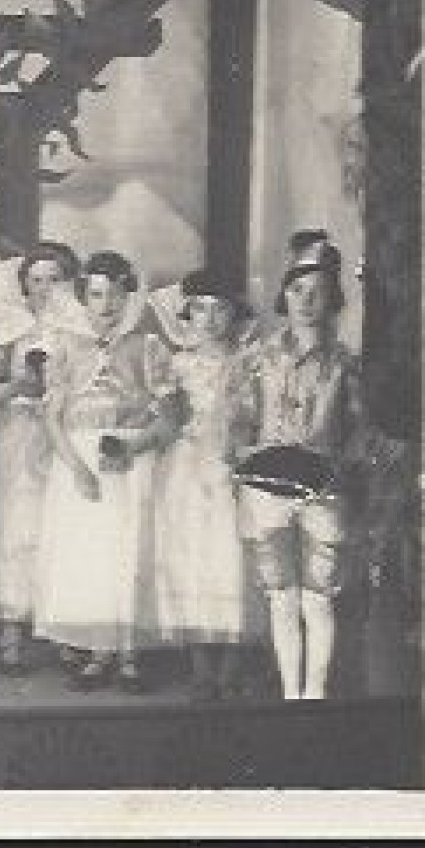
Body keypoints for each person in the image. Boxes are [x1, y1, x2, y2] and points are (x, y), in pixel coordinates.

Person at [33, 250, 177, 693]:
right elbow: (52, 419)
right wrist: (76, 468)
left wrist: (134, 445)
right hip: (79, 458)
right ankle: (97, 652)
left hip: (129, 457)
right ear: (83, 298)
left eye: (115, 293)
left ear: (128, 295)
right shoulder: (66, 347)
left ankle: (130, 652)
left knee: (127, 551)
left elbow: (170, 418)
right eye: (96, 294)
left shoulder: (147, 346)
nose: (106, 303)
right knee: (89, 556)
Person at [234, 233, 366, 700]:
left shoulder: (346, 365)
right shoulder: (258, 359)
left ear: (333, 297)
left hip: (323, 488)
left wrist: (341, 468)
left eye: (318, 291)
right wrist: (241, 458)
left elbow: (360, 429)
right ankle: (290, 697)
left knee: (319, 596)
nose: (306, 301)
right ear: (283, 294)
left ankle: (316, 697)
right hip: (266, 486)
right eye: (297, 290)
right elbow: (240, 421)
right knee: (280, 595)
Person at [151, 269, 254, 701]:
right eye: (200, 309)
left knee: (231, 557)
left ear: (235, 315)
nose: (209, 319)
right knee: (190, 555)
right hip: (187, 466)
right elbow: (167, 422)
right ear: (187, 314)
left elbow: (255, 417)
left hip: (234, 464)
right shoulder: (176, 364)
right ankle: (200, 666)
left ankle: (231, 666)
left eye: (220, 309)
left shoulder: (251, 362)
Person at [0, 241, 80, 676]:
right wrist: (19, 386)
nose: (44, 289)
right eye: (35, 280)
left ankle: (63, 632)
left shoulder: (81, 329)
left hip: (65, 436)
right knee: (16, 530)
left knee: (61, 530)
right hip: (20, 436)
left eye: (54, 279)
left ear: (70, 282)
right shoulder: (12, 329)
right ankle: (11, 635)